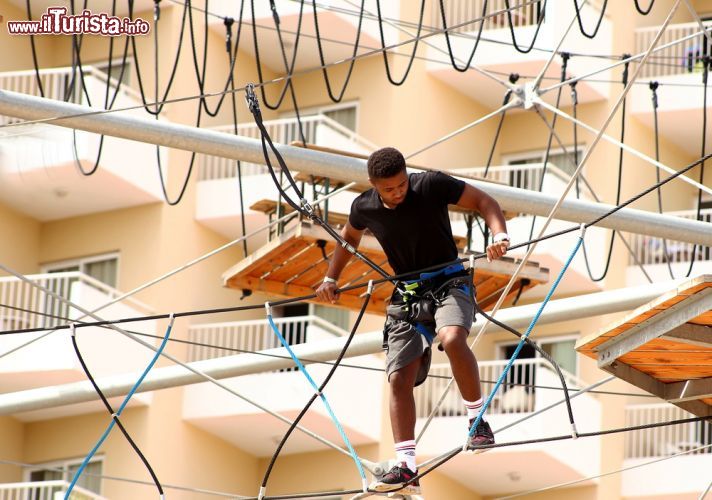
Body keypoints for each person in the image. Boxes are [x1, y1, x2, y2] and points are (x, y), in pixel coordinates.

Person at [316, 147, 510, 495]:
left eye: (402, 184)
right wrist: (331, 277)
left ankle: (477, 422)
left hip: (450, 281)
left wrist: (499, 235)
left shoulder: (431, 184)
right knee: (397, 378)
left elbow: (484, 201)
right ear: (375, 186)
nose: (398, 192)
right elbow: (349, 238)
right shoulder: (364, 206)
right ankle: (406, 467)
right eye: (389, 189)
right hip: (407, 292)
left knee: (452, 338)